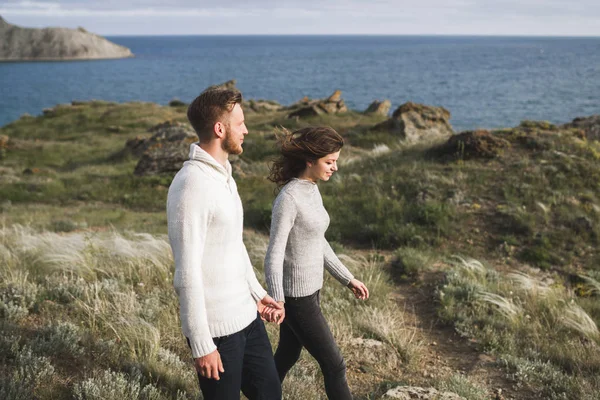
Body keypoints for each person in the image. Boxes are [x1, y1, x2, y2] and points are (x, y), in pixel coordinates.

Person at [167, 86, 283, 400]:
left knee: (271, 395)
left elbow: (233, 246)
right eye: (240, 123)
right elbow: (186, 273)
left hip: (247, 318)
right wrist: (202, 344)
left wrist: (258, 295)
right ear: (220, 129)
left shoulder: (224, 175)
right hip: (217, 333)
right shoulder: (191, 185)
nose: (246, 130)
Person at [263, 126, 369, 400]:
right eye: (329, 161)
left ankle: (261, 394)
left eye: (336, 161)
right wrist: (277, 299)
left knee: (287, 353)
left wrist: (348, 278)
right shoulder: (288, 199)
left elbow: (317, 240)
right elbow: (273, 254)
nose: (335, 167)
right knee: (334, 364)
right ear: (310, 160)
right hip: (296, 298)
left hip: (313, 290)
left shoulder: (311, 189)